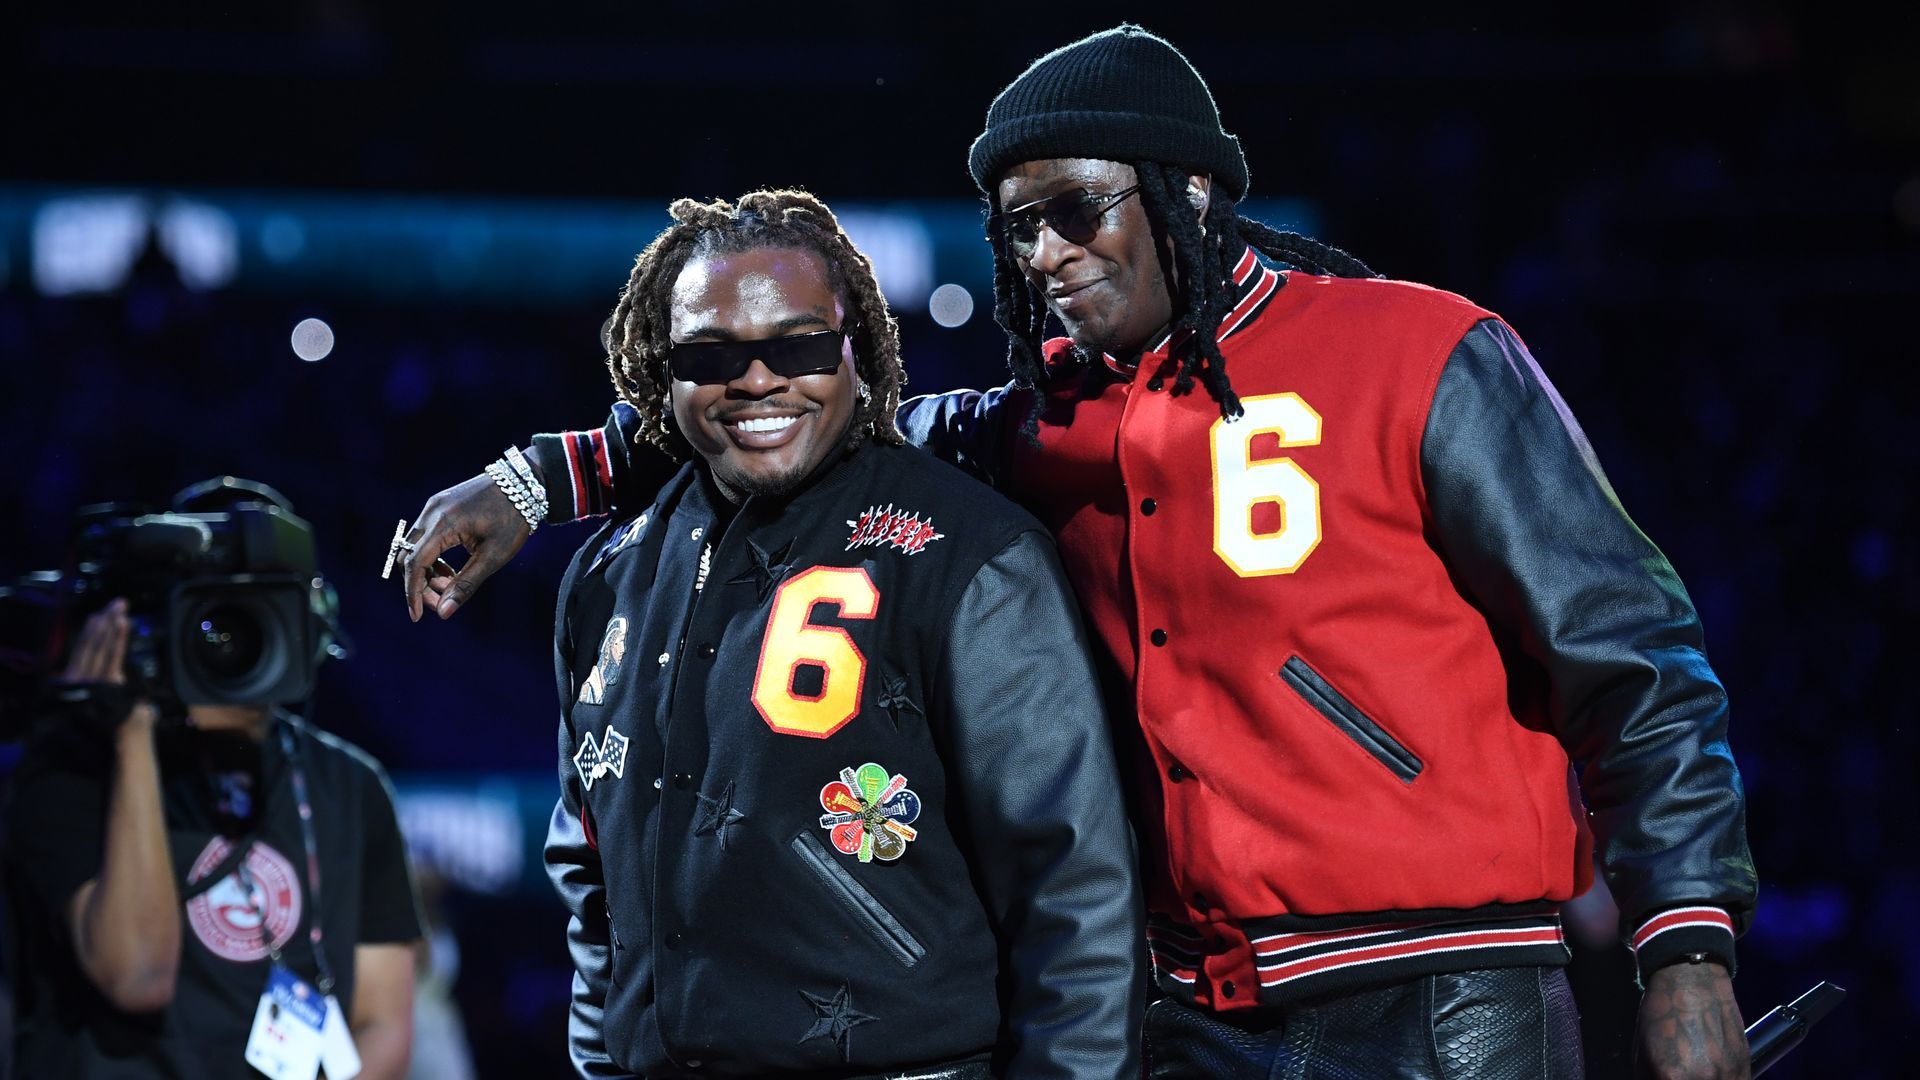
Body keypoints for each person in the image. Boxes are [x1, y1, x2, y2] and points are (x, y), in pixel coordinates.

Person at [400, 26, 1756, 1080]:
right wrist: (542, 480)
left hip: (1442, 999)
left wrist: (1683, 945)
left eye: (1077, 209)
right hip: (1185, 1009)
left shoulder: (1425, 352)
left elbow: (1635, 658)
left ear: (1186, 191)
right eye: (1018, 225)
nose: (1045, 253)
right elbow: (789, 402)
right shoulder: (1033, 424)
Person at [521, 189, 1140, 1077]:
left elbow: (1073, 889)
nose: (759, 379)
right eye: (712, 353)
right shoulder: (607, 575)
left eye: (800, 345)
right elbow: (591, 883)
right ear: (664, 371)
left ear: (860, 353)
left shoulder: (966, 551)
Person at [5, 480, 422, 1079]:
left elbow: (384, 1023)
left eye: (257, 614)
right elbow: (136, 975)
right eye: (208, 617)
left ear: (308, 631)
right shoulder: (70, 768)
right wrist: (131, 733)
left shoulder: (352, 787)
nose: (229, 639)